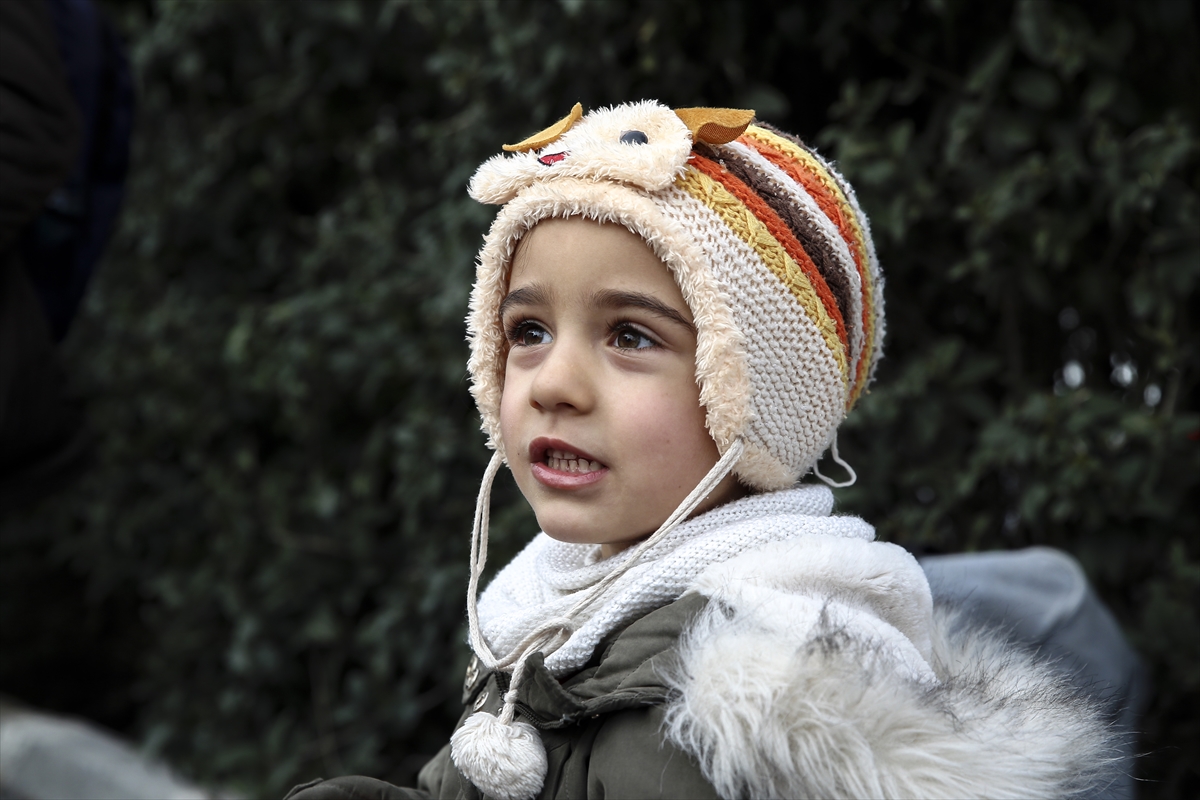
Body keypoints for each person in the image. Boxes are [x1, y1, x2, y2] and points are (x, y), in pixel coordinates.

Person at [287, 101, 1132, 800]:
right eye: (529, 330)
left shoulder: (703, 731)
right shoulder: (559, 605)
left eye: (629, 335)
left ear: (755, 393)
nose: (553, 384)